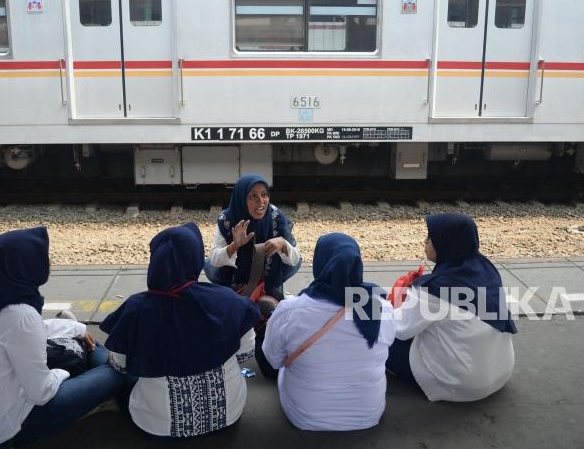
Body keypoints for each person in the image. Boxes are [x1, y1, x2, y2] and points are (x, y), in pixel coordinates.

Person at [0, 227, 124, 447]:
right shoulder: (21, 316)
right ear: (25, 265)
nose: (49, 262)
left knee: (78, 340)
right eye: (42, 257)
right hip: (5, 431)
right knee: (115, 375)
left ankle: (93, 357)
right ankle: (107, 368)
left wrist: (76, 328)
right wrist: (62, 373)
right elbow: (42, 392)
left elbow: (33, 331)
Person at [101, 223, 261, 438]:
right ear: (194, 259)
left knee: (118, 374)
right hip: (227, 416)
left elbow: (120, 365)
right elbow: (245, 353)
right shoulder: (228, 301)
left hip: (156, 426)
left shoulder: (136, 309)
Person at [262, 233, 395, 431]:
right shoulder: (381, 308)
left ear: (320, 263)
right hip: (368, 415)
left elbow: (273, 360)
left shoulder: (291, 310)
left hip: (306, 416)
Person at [386, 213, 517, 402]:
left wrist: (393, 305)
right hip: (499, 372)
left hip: (461, 384)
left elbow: (402, 329)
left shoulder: (435, 288)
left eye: (430, 238)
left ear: (444, 243)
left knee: (377, 333)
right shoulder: (486, 268)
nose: (425, 241)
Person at [204, 174, 301, 299]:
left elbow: (295, 257)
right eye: (253, 196)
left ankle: (268, 287)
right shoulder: (227, 219)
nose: (261, 201)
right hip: (233, 276)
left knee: (294, 259)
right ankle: (235, 288)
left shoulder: (276, 216)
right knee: (209, 264)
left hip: (268, 274)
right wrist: (234, 246)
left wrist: (282, 244)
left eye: (264, 194)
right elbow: (215, 260)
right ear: (241, 198)